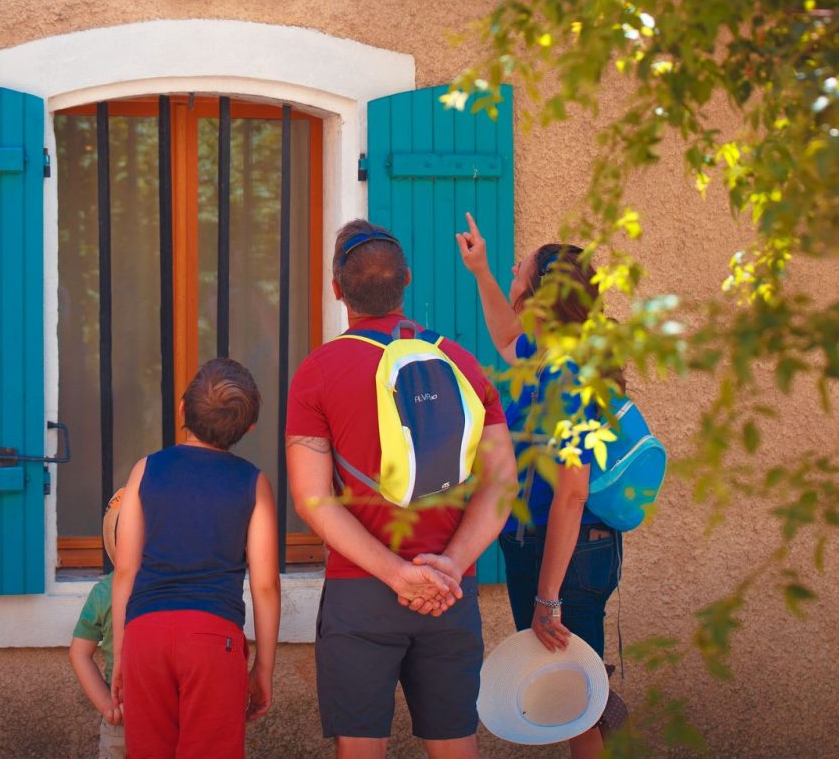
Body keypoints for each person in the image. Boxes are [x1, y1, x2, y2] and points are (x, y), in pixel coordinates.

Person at [286, 219, 517, 759]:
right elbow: (502, 480)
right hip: (448, 592)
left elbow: (311, 498)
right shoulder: (460, 363)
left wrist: (397, 575)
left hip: (362, 590)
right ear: (407, 280)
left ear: (338, 289)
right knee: (456, 746)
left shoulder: (317, 372)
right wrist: (449, 567)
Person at [456, 212, 624, 759]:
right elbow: (507, 335)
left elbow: (573, 492)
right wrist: (480, 271)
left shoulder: (575, 373)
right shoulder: (548, 356)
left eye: (518, 268)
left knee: (575, 706)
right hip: (546, 551)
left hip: (569, 561)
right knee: (567, 695)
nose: (513, 267)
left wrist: (548, 597)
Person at [110, 358, 281, 759]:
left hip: (144, 634)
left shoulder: (145, 470)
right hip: (211, 639)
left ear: (183, 409)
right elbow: (265, 586)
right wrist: (263, 670)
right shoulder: (253, 483)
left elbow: (125, 570)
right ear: (249, 428)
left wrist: (121, 652)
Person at [70, 488, 127, 759]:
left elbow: (79, 653)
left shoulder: (104, 591)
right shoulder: (104, 593)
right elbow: (79, 653)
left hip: (127, 715)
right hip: (136, 716)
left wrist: (108, 706)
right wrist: (107, 705)